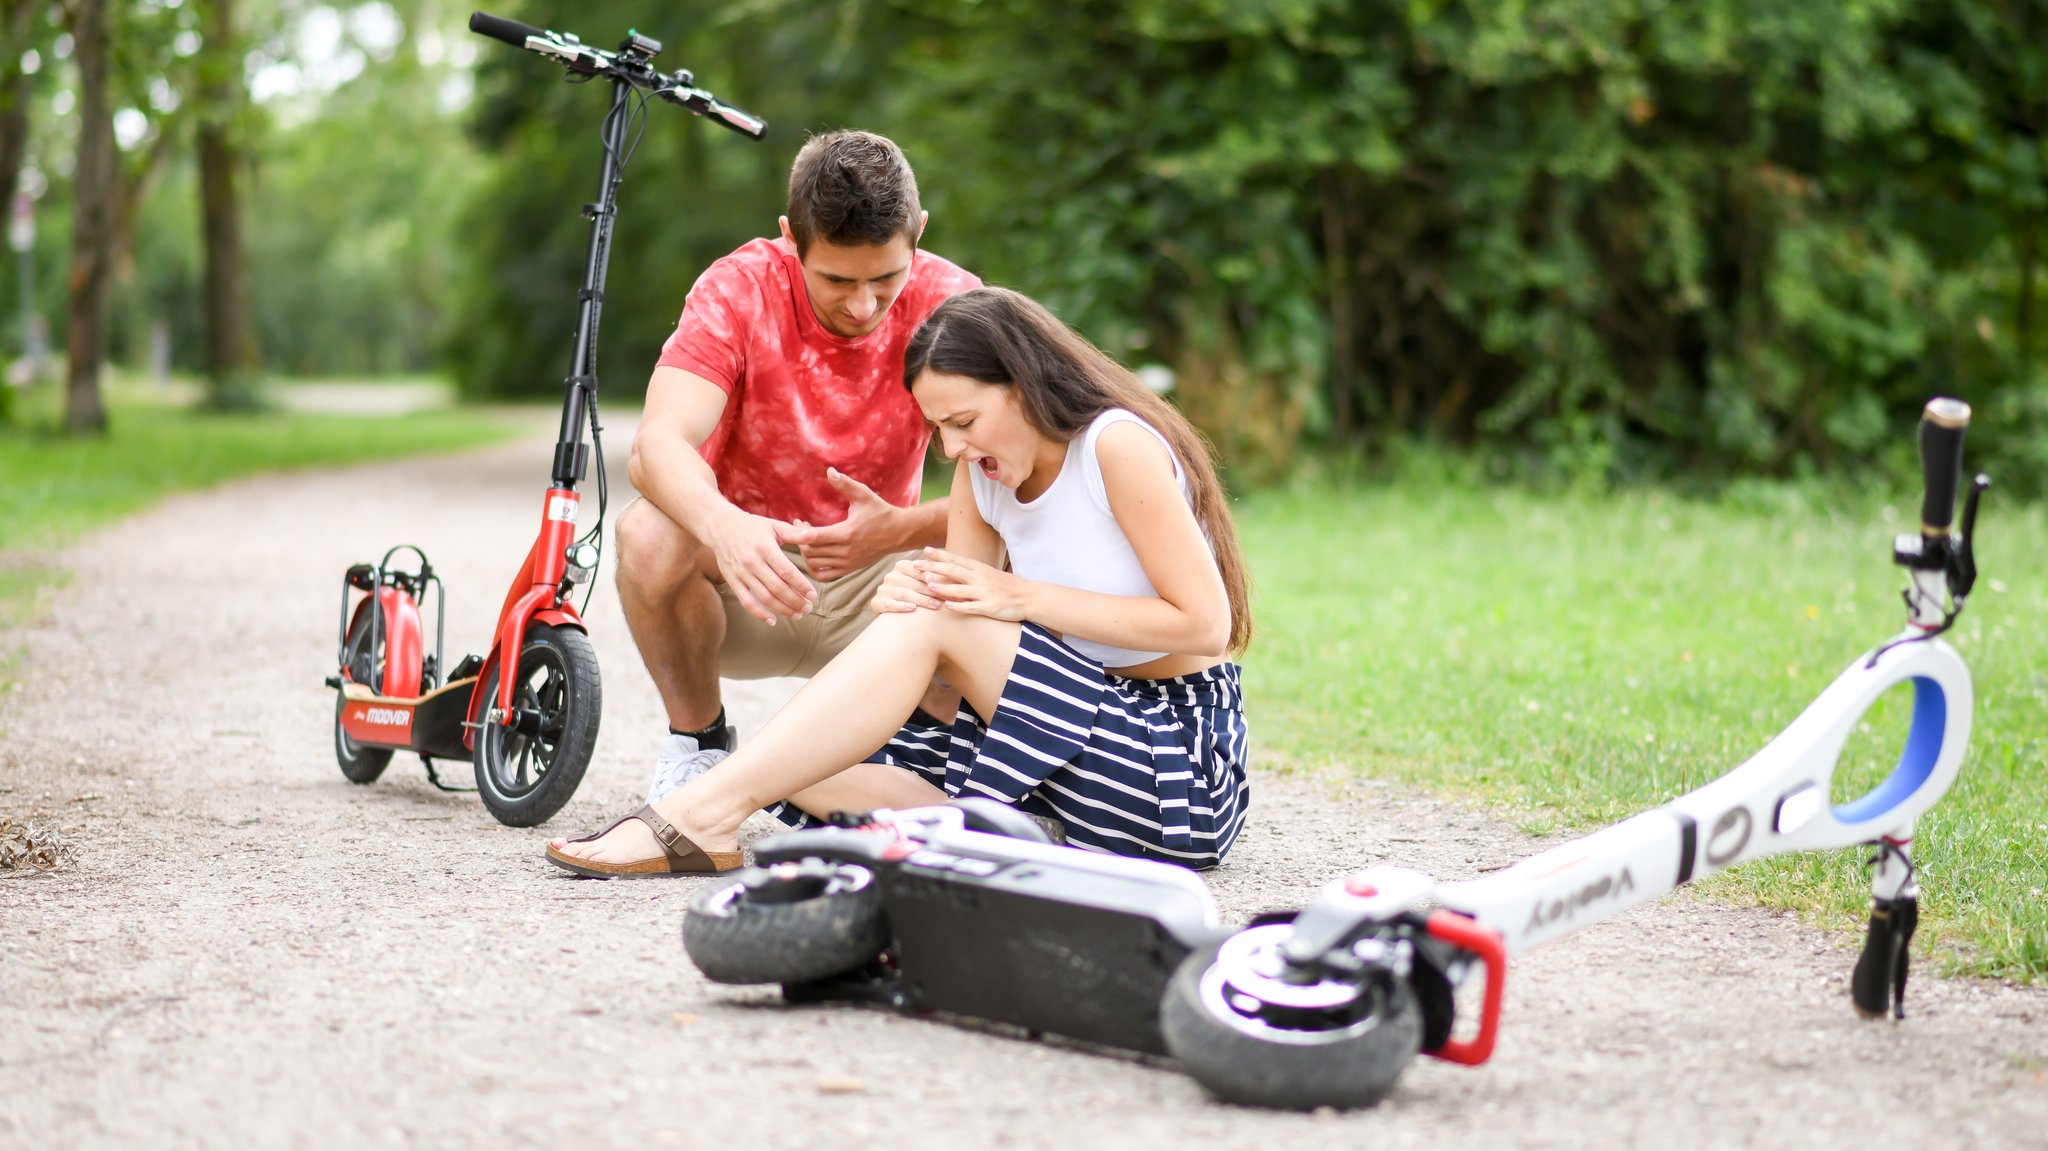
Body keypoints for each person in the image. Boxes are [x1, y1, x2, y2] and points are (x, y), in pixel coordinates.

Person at [549, 286, 1254, 875]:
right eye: (938, 429)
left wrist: (1014, 600)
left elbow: (1204, 625)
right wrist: (911, 603)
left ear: (1025, 384)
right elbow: (959, 632)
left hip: (1172, 758)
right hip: (1071, 726)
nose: (952, 448)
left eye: (964, 421)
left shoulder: (1114, 446)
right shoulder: (985, 476)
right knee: (803, 769)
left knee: (911, 650)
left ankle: (694, 817)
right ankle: (1030, 837)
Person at [618, 130, 980, 804]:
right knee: (648, 533)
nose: (864, 306)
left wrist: (898, 530)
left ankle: (926, 750)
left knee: (1005, 555)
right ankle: (697, 744)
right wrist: (726, 525)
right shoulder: (738, 288)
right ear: (791, 239)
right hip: (750, 582)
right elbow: (656, 445)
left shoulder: (955, 301)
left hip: (883, 592)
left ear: (919, 232)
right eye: (838, 280)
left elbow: (1018, 480)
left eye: (886, 279)